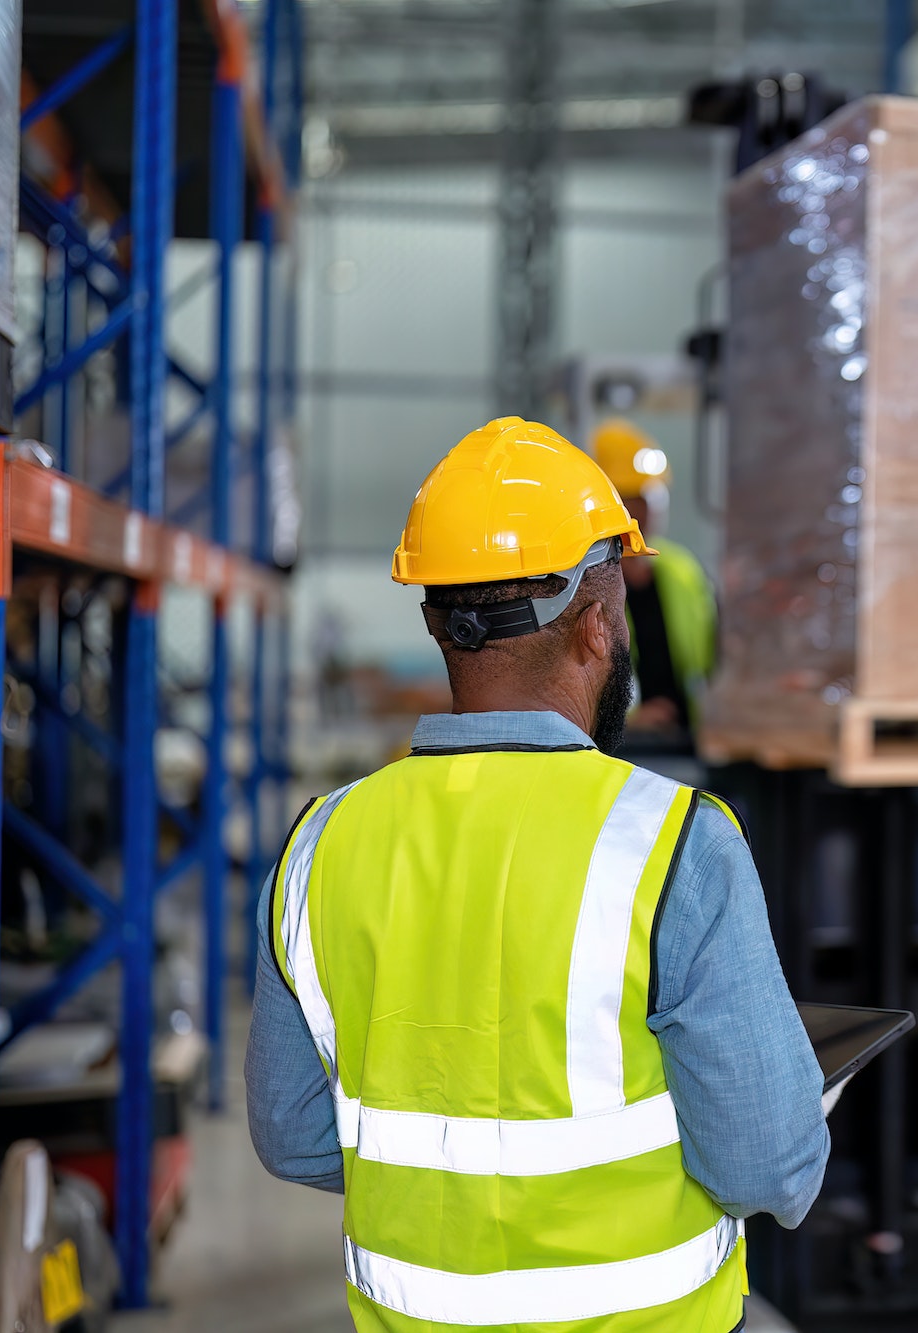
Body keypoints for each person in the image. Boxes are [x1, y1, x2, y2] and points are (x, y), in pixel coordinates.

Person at [245, 417, 829, 1332]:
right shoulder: (679, 845)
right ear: (599, 627)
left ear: (439, 625)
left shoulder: (319, 845)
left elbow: (293, 1135)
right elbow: (770, 1167)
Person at [589, 416, 717, 741]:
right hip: (619, 744)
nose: (641, 512)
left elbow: (711, 659)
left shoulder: (681, 571)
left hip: (687, 740)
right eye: (629, 500)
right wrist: (631, 720)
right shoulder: (584, 580)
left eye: (649, 498)